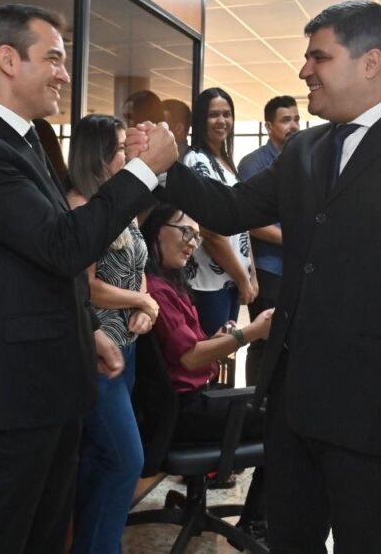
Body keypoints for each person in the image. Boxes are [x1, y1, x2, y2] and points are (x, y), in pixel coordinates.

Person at [131, 0, 381, 552]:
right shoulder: (306, 149)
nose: (305, 70)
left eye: (319, 57)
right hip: (294, 406)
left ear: (370, 62)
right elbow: (231, 209)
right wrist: (163, 168)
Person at [0, 3, 178, 554]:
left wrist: (86, 330)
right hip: (8, 397)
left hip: (50, 385)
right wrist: (142, 171)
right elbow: (63, 246)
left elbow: (37, 261)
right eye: (54, 59)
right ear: (8, 60)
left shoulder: (25, 140)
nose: (65, 74)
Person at [141, 203, 272, 543]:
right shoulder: (157, 290)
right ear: (156, 230)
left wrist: (221, 338)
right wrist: (250, 333)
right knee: (284, 424)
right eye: (185, 232)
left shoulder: (168, 282)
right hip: (182, 411)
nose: (192, 242)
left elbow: (192, 348)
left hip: (185, 403)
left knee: (273, 408)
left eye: (196, 236)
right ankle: (255, 525)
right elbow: (189, 359)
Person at [66, 114, 157, 554]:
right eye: (121, 148)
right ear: (98, 155)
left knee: (100, 461)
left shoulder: (119, 201)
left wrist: (145, 306)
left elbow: (137, 268)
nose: (128, 154)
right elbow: (85, 286)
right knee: (125, 460)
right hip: (96, 350)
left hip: (127, 349)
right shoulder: (81, 206)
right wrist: (141, 301)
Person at [183, 87, 256, 337]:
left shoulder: (225, 162)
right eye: (214, 115)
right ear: (200, 120)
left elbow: (242, 225)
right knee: (212, 351)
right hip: (209, 282)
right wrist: (243, 279)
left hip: (232, 277)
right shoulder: (196, 161)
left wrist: (250, 275)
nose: (222, 121)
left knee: (224, 349)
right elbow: (210, 231)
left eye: (227, 114)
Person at [237, 95, 299, 385]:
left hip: (293, 267)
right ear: (269, 126)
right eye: (285, 120)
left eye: (296, 119)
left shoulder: (300, 160)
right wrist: (295, 237)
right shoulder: (255, 163)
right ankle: (254, 401)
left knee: (289, 339)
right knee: (263, 338)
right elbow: (251, 221)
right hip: (267, 268)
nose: (293, 125)